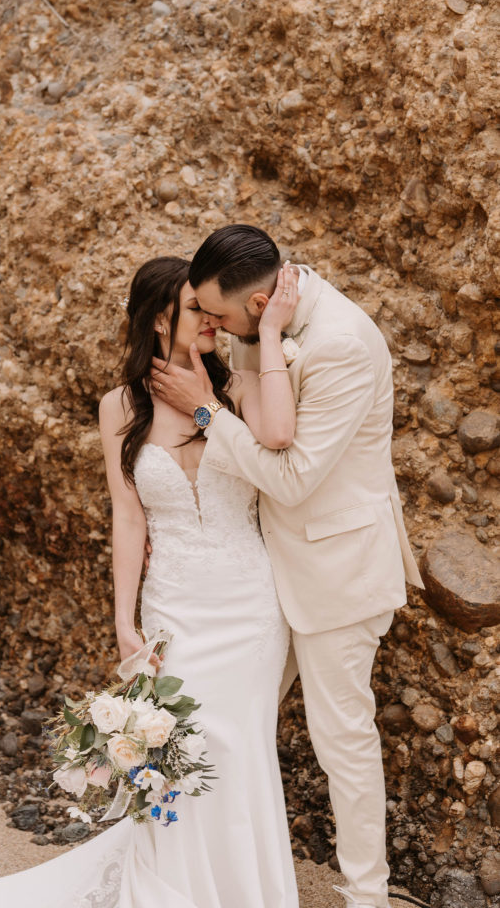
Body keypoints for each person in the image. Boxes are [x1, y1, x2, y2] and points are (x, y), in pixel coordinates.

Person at [0, 255, 302, 908]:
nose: (212, 320)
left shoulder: (240, 388)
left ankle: (245, 891)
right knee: (182, 749)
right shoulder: (119, 406)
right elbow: (128, 517)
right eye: (196, 309)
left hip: (250, 606)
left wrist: (262, 338)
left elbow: (279, 436)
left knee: (242, 749)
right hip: (175, 608)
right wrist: (123, 620)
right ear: (160, 319)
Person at [150, 225, 425, 908]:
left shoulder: (341, 345)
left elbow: (294, 476)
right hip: (260, 573)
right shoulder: (259, 318)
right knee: (221, 719)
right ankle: (187, 867)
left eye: (221, 316)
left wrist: (211, 412)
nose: (214, 328)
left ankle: (366, 896)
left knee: (342, 741)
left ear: (264, 299)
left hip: (338, 568)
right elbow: (265, 418)